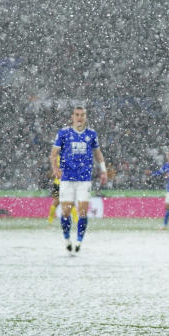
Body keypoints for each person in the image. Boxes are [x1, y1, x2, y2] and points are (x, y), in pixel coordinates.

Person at [49, 106, 107, 253]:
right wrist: (55, 168)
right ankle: (67, 239)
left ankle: (79, 242)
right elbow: (53, 153)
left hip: (84, 179)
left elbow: (98, 154)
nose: (79, 117)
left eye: (82, 115)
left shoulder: (91, 134)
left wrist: (103, 170)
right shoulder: (64, 133)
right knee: (66, 212)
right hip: (67, 178)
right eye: (77, 115)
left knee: (82, 211)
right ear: (72, 117)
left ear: (85, 117)